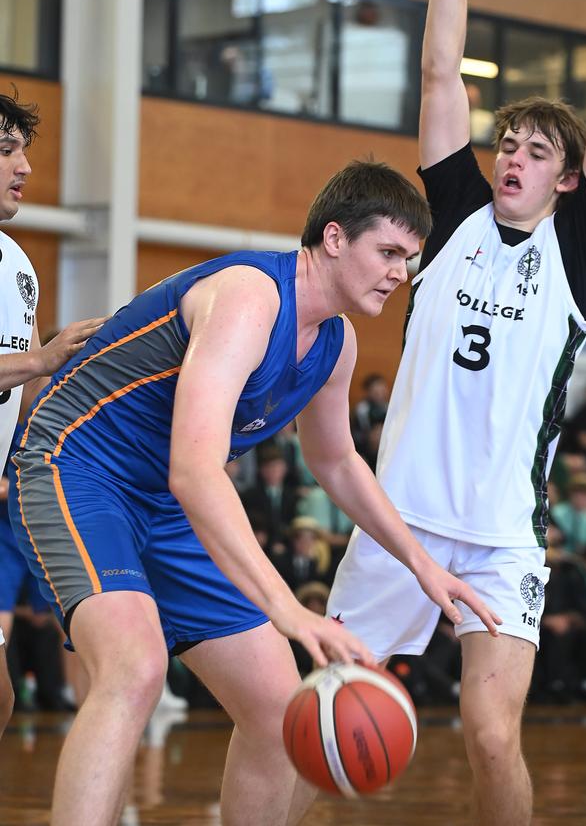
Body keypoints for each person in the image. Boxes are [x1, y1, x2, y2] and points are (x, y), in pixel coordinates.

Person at [10, 158, 499, 826]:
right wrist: (289, 609)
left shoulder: (336, 343)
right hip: (76, 467)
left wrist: (423, 565)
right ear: (333, 238)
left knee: (277, 710)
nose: (400, 272)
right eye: (388, 251)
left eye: (408, 258)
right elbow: (196, 469)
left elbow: (337, 462)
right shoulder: (249, 297)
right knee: (134, 667)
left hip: (168, 500)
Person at [328, 0, 586, 825]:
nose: (511, 154)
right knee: (324, 714)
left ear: (562, 178)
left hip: (500, 536)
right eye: (506, 140)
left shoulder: (574, 246)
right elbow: (436, 74)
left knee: (487, 731)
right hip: (399, 519)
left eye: (533, 149)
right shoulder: (458, 210)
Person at [0, 91, 104, 739]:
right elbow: (28, 365)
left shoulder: (18, 266)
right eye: (7, 150)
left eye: (24, 151)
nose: (25, 166)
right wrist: (41, 360)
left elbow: (25, 383)